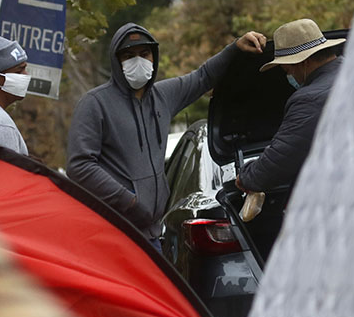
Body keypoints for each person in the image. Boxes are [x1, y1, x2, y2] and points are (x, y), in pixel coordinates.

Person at [67, 23, 265, 248]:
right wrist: (129, 200)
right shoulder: (95, 104)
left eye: (144, 54)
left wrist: (235, 48)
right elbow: (79, 166)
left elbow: (203, 77)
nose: (138, 61)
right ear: (116, 61)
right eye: (128, 56)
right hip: (113, 234)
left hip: (151, 235)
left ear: (154, 57)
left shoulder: (162, 96)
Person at [236, 18, 344, 194]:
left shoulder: (309, 100)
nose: (290, 76)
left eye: (288, 70)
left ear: (303, 62)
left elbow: (277, 162)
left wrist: (246, 177)